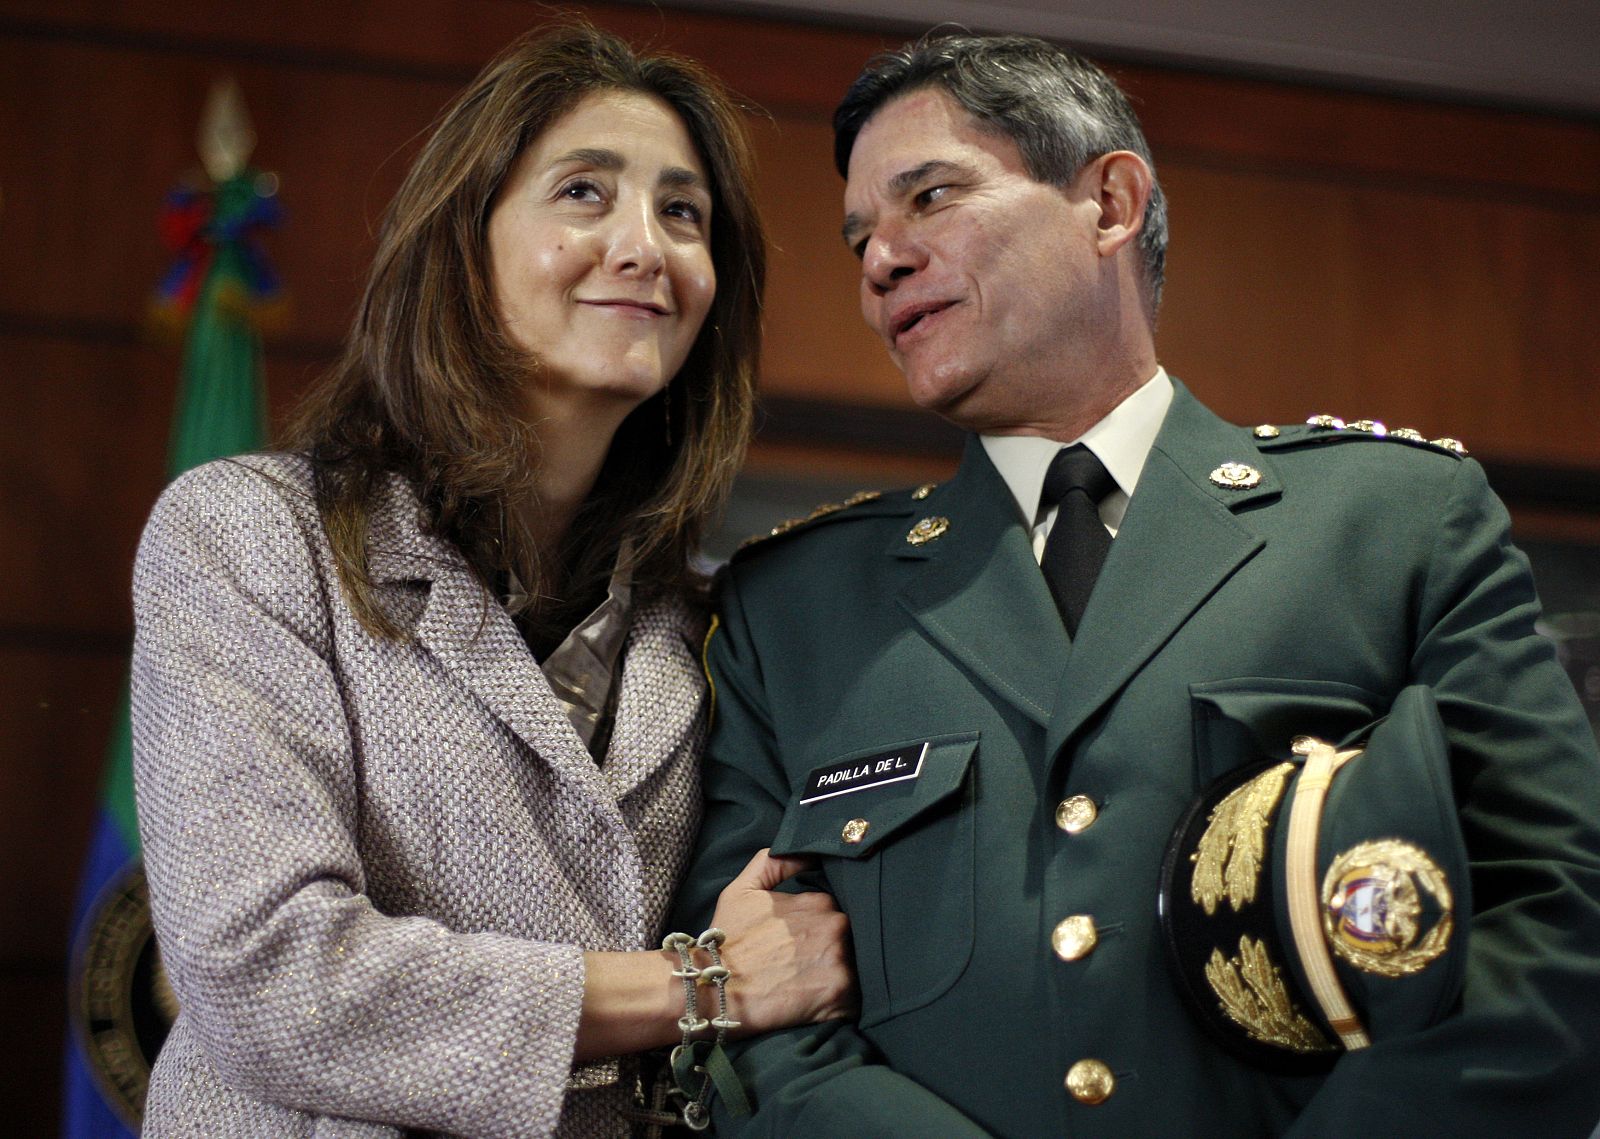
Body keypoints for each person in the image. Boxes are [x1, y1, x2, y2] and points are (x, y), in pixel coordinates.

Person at [670, 31, 1600, 1138]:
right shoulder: (795, 606)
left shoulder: (1394, 523)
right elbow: (755, 1018)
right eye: (861, 236)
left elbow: (1550, 918)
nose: (881, 260)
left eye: (930, 197)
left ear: (1109, 204)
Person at [130, 25, 852, 1139]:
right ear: (462, 248)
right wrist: (696, 985)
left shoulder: (709, 620)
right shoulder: (249, 535)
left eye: (682, 211)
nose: (643, 245)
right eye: (582, 192)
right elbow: (266, 975)